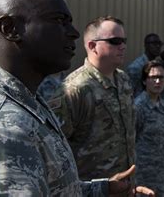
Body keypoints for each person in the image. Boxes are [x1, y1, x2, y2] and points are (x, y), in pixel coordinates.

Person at [0, 0, 154, 196]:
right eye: (59, 21)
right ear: (10, 28)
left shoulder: (27, 100)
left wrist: (102, 189)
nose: (75, 33)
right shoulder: (4, 123)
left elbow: (53, 188)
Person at [53, 16, 136, 181]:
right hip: (90, 189)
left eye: (124, 41)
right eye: (115, 41)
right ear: (92, 46)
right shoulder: (75, 89)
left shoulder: (124, 80)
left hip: (124, 186)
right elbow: (53, 149)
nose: (123, 46)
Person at [135, 61, 164, 197]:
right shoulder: (139, 106)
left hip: (161, 173)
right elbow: (131, 139)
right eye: (153, 77)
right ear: (144, 81)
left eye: (161, 77)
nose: (158, 81)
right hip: (143, 176)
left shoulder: (163, 105)